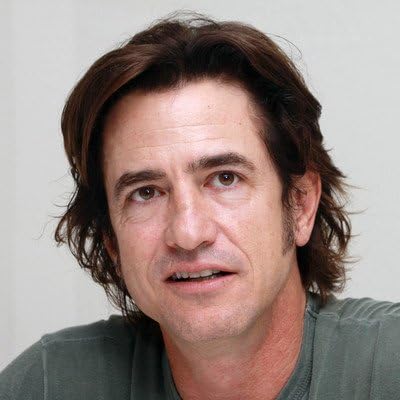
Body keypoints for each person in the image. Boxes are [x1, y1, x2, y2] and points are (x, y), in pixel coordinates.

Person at [1, 13, 399, 400]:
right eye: (146, 192)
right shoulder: (46, 385)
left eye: (225, 178)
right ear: (111, 240)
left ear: (299, 205)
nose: (188, 233)